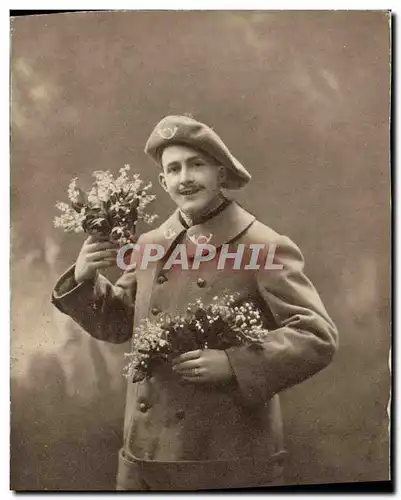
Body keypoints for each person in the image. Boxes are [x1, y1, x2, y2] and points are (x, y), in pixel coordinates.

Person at [51, 115, 338, 490]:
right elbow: (120, 324)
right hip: (145, 454)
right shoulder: (152, 243)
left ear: (221, 174)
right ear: (163, 182)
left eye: (197, 165)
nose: (185, 178)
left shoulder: (262, 245)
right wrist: (86, 278)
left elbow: (317, 336)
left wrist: (234, 363)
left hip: (224, 459)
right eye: (174, 168)